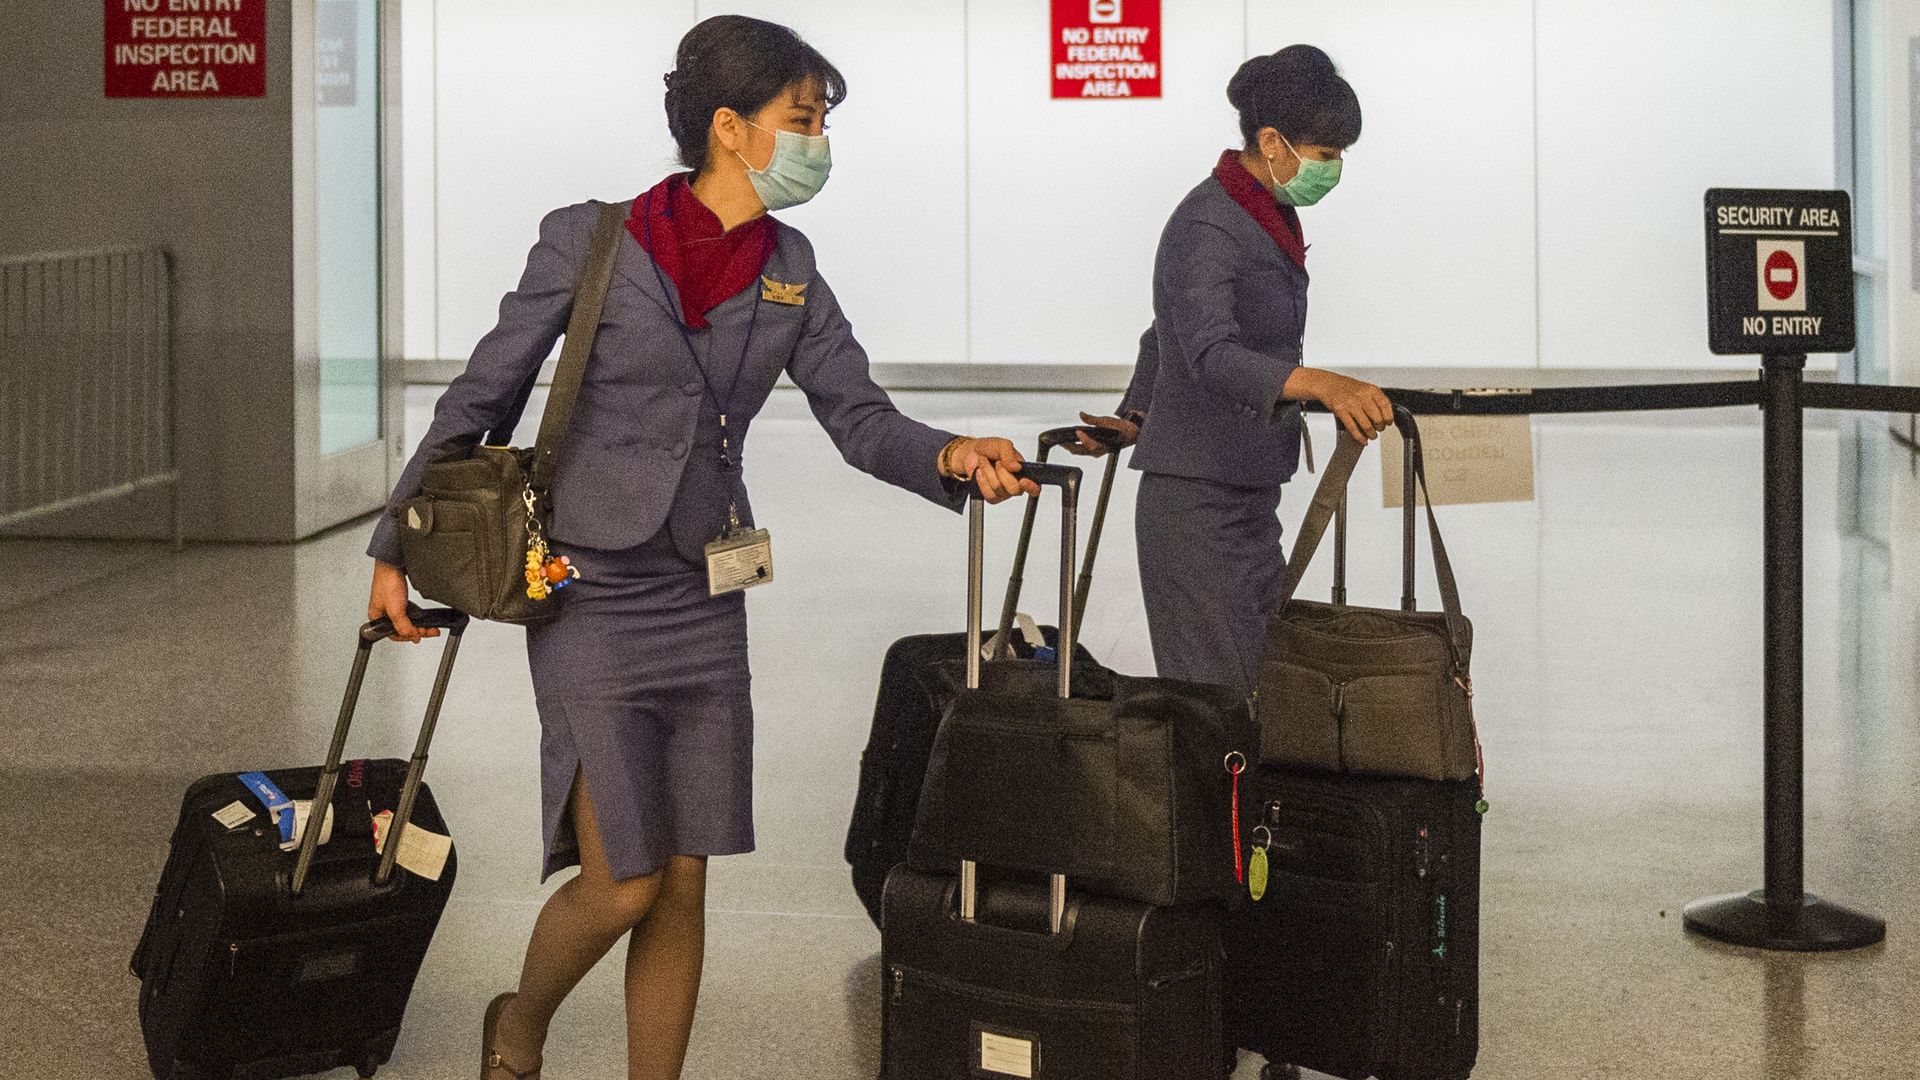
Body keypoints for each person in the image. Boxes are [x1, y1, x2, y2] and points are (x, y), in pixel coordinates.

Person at [363, 16, 1038, 1079]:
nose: (819, 142)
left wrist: (951, 455)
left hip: (703, 595)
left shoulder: (790, 266)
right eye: (801, 120)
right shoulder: (592, 241)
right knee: (620, 879)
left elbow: (858, 416)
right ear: (730, 128)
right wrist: (396, 538)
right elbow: (483, 391)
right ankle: (520, 1021)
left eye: (820, 121)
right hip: (586, 588)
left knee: (683, 878)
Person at [1074, 44, 1393, 697]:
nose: (1333, 170)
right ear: (1271, 142)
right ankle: (1215, 804)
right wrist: (1323, 385)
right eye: (1326, 155)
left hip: (1247, 488)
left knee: (1255, 687)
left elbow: (1164, 333)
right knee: (1213, 700)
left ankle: (1242, 803)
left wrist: (1136, 415)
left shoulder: (1267, 210)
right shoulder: (1208, 221)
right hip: (1197, 502)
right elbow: (1207, 349)